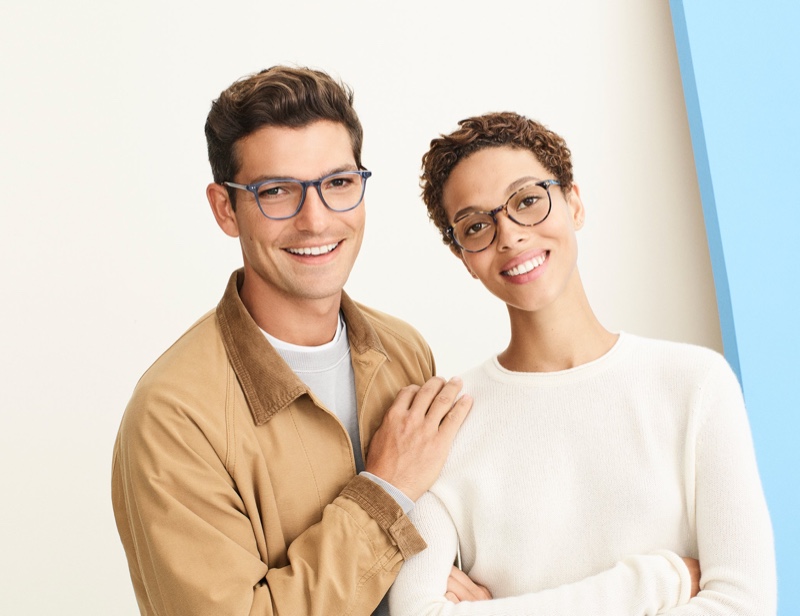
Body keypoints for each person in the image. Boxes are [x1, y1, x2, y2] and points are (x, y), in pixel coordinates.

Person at [111, 66, 479, 616]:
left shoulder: (404, 350)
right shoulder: (173, 414)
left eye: (338, 183)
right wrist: (386, 490)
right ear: (224, 208)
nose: (315, 220)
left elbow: (443, 539)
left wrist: (431, 576)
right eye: (276, 191)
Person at [388, 112, 776, 615]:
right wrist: (660, 581)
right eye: (477, 225)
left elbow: (744, 606)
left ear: (574, 202)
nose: (509, 236)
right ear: (463, 256)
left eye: (527, 200)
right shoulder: (444, 423)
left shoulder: (695, 385)